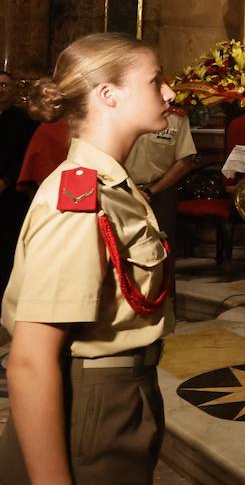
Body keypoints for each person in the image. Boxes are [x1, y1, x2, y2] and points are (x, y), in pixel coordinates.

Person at [0, 33, 175, 484]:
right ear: (108, 95)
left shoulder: (113, 186)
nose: (170, 92)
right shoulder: (77, 201)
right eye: (156, 82)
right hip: (94, 400)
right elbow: (31, 359)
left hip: (123, 391)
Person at [124, 106, 197, 256]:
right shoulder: (120, 114)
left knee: (162, 249)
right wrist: (130, 188)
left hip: (160, 193)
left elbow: (184, 162)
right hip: (122, 190)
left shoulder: (176, 119)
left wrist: (151, 191)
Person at [0, 71, 37, 292]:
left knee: (7, 247)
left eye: (6, 85)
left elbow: (27, 154)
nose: (1, 89)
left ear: (14, 90)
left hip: (11, 193)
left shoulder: (25, 120)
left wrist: (6, 180)